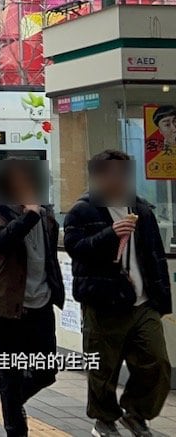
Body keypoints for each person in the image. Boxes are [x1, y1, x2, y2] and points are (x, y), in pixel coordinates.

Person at [64, 150, 171, 437]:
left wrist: (161, 298)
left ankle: (137, 413)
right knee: (104, 369)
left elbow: (155, 256)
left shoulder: (142, 209)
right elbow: (77, 249)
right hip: (103, 301)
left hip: (142, 302)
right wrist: (111, 233)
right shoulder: (82, 210)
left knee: (157, 361)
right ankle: (104, 419)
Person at [0, 159, 64, 437]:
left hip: (40, 305)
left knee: (46, 370)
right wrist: (28, 216)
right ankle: (16, 427)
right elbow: (1, 241)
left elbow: (48, 257)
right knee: (9, 375)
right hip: (6, 308)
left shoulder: (47, 217)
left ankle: (14, 402)